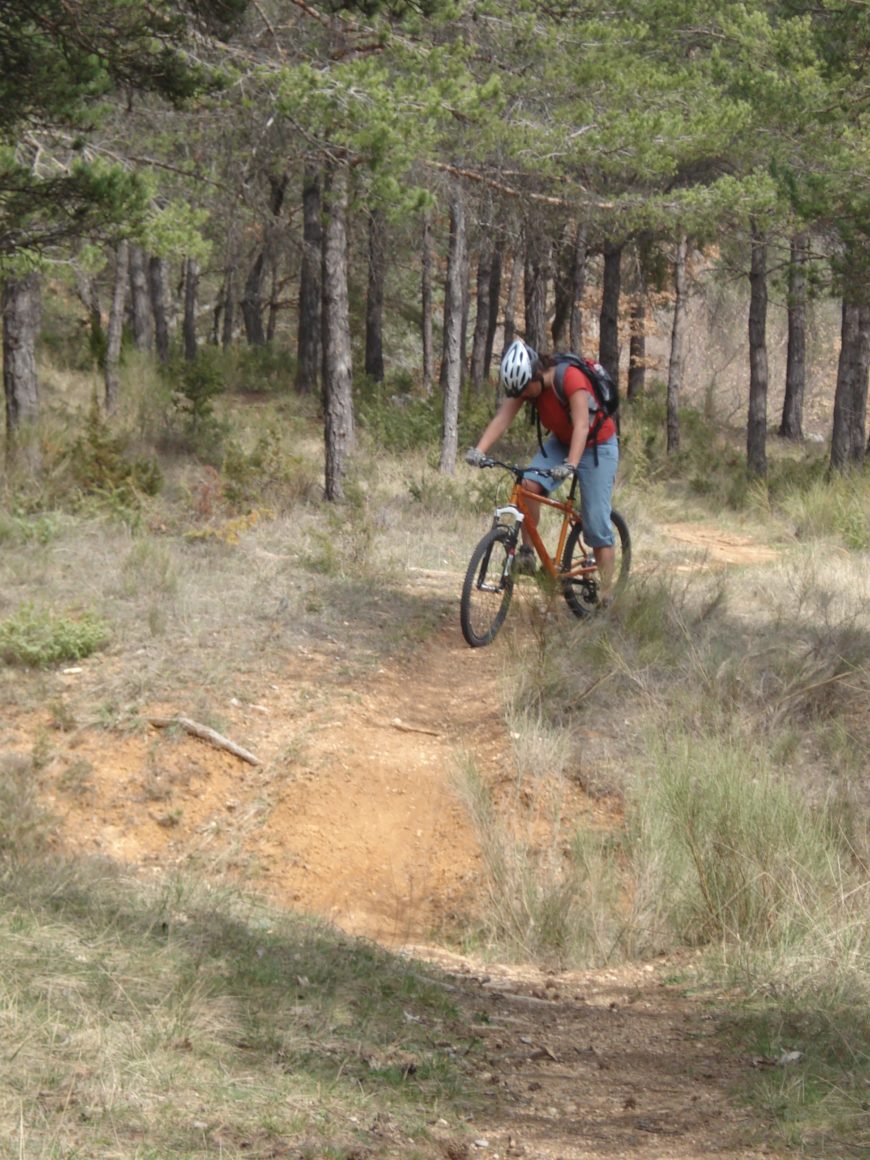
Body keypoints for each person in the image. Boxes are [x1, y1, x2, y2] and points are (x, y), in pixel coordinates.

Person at [464, 338, 619, 602]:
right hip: (561, 441)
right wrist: (479, 451)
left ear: (536, 373)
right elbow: (503, 418)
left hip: (597, 446)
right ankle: (527, 552)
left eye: (526, 388)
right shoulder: (526, 386)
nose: (524, 394)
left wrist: (570, 464)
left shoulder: (570, 378)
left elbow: (582, 425)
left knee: (595, 520)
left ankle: (607, 593)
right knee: (527, 485)